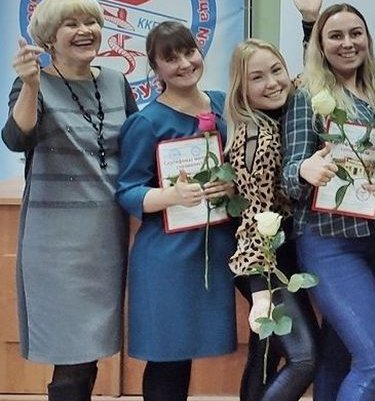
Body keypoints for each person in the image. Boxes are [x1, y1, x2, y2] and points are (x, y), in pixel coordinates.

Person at [1, 0, 138, 399]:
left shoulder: (116, 81)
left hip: (105, 238)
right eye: (71, 24)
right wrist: (30, 85)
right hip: (54, 243)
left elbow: (136, 145)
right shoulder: (33, 82)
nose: (85, 30)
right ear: (49, 38)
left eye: (91, 21)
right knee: (69, 351)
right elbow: (17, 138)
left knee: (89, 350)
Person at [281, 4, 375, 401]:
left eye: (356, 33)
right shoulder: (308, 96)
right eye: (335, 35)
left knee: (339, 356)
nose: (347, 43)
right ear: (320, 45)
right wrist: (304, 171)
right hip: (329, 244)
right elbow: (288, 176)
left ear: (367, 39)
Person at [116, 21, 237, 401]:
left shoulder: (224, 104)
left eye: (189, 52)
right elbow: (128, 191)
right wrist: (171, 196)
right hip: (166, 256)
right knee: (168, 357)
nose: (184, 64)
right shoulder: (146, 122)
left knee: (194, 351)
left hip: (215, 246)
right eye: (171, 59)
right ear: (155, 68)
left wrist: (233, 185)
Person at [224, 1, 321, 399]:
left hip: (282, 254)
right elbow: (256, 216)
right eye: (257, 77)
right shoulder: (257, 137)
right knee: (305, 357)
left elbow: (311, 74)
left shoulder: (282, 111)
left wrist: (310, 23)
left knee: (264, 356)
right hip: (264, 262)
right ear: (241, 89)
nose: (273, 83)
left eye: (276, 70)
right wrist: (261, 290)